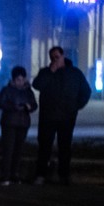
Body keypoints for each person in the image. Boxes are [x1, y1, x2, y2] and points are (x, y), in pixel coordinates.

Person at [31, 46, 91, 185]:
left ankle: (64, 175)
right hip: (47, 117)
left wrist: (76, 107)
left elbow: (86, 91)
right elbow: (37, 85)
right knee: (44, 146)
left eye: (57, 57)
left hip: (67, 117)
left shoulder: (75, 73)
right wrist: (50, 72)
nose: (55, 60)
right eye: (52, 58)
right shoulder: (46, 72)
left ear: (63, 56)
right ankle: (41, 174)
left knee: (65, 147)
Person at [0, 65, 37, 185]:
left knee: (18, 150)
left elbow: (34, 105)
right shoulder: (7, 90)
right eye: (18, 79)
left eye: (22, 79)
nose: (21, 82)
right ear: (13, 79)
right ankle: (5, 176)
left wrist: (29, 107)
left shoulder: (28, 91)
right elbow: (0, 103)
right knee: (8, 150)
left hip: (23, 123)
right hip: (9, 123)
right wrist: (13, 107)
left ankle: (15, 175)